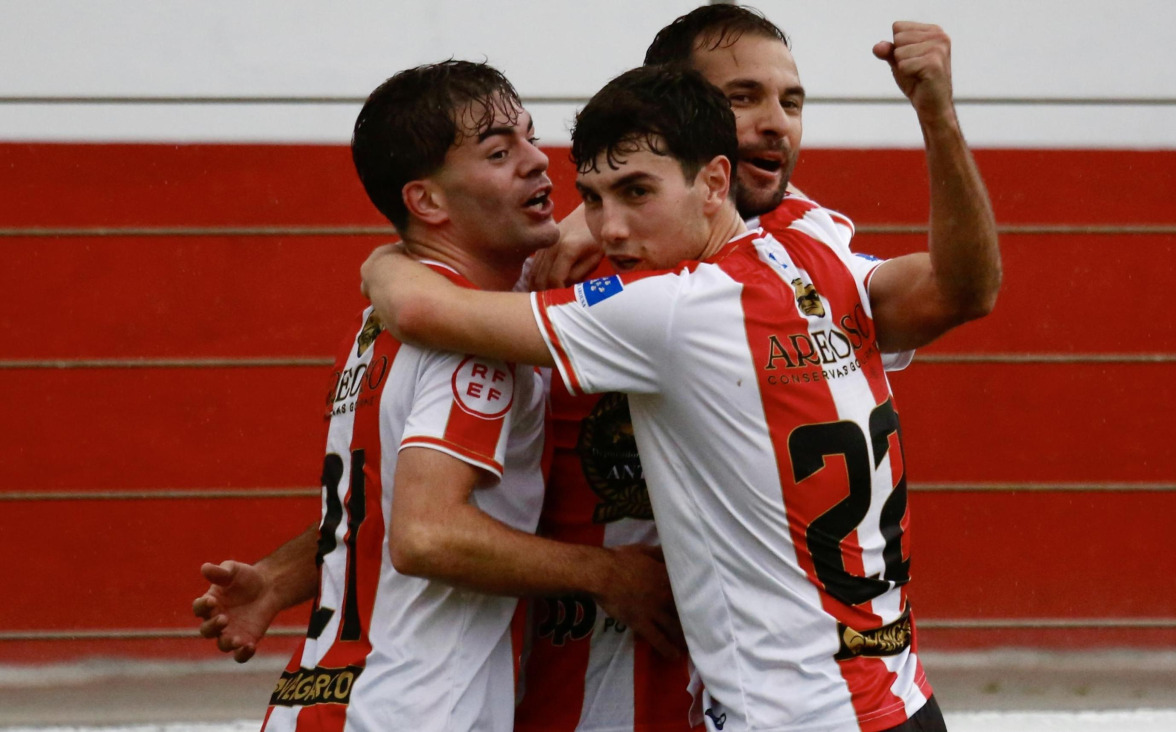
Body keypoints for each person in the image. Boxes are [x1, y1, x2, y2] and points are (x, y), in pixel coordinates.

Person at [361, 60, 998, 732]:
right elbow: (965, 288)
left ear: (716, 180)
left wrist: (386, 259)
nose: (607, 230)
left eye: (636, 192)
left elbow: (424, 312)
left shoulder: (669, 310)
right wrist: (938, 113)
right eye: (595, 199)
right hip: (903, 698)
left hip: (788, 716)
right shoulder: (820, 257)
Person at [193, 60, 680, 731]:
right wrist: (610, 575)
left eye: (531, 137)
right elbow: (427, 534)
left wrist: (278, 579)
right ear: (426, 202)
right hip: (418, 709)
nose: (540, 162)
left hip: (321, 698)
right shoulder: (473, 334)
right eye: (500, 152)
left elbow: (383, 504)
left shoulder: (383, 317)